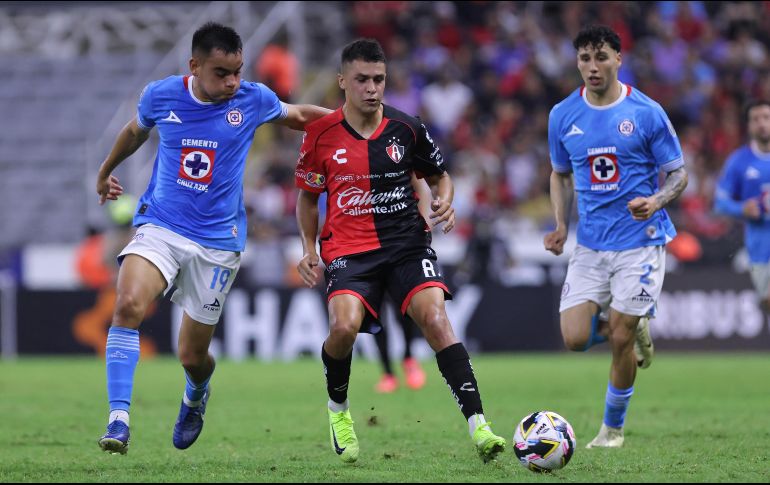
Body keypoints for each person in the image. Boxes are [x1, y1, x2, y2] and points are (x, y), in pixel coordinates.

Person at [94, 22, 331, 455]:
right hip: (161, 226)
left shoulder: (252, 99)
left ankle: (196, 394)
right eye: (222, 72)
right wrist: (106, 170)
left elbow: (298, 116)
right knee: (127, 304)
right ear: (194, 66)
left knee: (191, 356)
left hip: (219, 242)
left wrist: (353, 124)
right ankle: (119, 420)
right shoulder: (161, 95)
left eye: (238, 71)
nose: (232, 82)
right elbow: (135, 130)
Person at [294, 38, 506, 464]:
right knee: (342, 329)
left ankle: (479, 426)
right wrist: (307, 248)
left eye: (379, 80)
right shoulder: (320, 135)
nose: (372, 88)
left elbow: (440, 176)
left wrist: (445, 200)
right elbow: (306, 197)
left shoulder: (407, 127)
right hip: (349, 250)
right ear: (342, 82)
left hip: (407, 243)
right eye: (362, 80)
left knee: (435, 318)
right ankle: (338, 413)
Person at [544, 25, 688, 449]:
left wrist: (657, 200)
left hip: (640, 239)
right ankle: (635, 324)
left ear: (618, 59)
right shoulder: (562, 115)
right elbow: (559, 173)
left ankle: (612, 430)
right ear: (577, 62)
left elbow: (679, 174)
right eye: (585, 59)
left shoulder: (645, 111)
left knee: (619, 337)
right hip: (590, 244)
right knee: (574, 338)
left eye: (601, 57)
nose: (593, 66)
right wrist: (560, 225)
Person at [714, 100, 770, 315]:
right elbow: (720, 203)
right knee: (766, 301)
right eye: (756, 119)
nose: (762, 124)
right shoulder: (739, 162)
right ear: (749, 126)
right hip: (759, 247)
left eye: (766, 117)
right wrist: (742, 209)